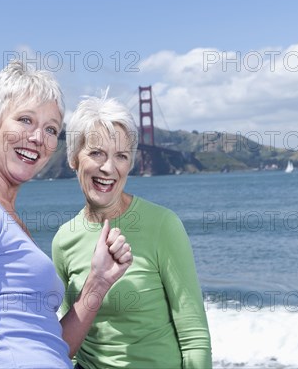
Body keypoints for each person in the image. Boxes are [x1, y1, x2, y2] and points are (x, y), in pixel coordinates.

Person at [0, 61, 133, 368]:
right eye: (25, 120)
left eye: (51, 129)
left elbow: (51, 346)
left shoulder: (8, 218)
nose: (38, 137)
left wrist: (98, 283)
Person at [52, 96, 212, 368]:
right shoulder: (64, 240)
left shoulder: (163, 225)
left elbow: (194, 338)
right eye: (96, 153)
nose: (109, 168)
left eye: (121, 156)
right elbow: (65, 345)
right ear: (73, 159)